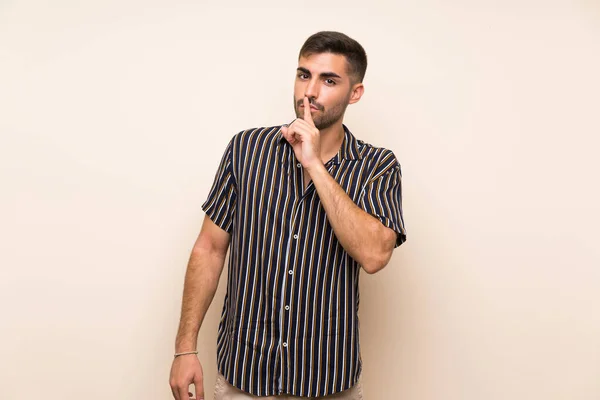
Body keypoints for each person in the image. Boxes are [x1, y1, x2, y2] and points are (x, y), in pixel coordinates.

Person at [169, 31, 407, 400]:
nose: (310, 91)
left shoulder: (378, 166)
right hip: (244, 379)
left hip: (328, 383)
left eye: (329, 80)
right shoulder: (247, 149)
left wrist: (313, 163)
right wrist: (185, 349)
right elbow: (209, 249)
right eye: (303, 74)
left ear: (354, 93)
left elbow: (375, 255)